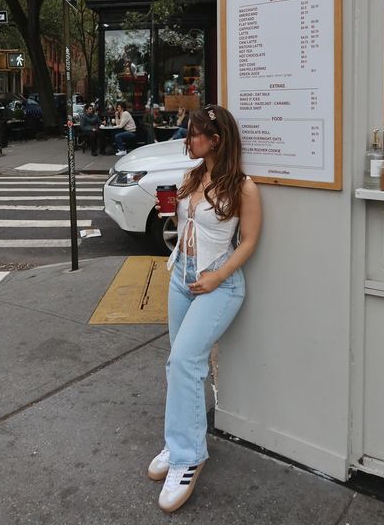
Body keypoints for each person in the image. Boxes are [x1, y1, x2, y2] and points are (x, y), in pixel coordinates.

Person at [149, 104, 262, 513]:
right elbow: (185, 225)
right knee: (179, 364)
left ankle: (188, 457)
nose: (187, 138)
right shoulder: (191, 176)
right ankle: (178, 441)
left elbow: (248, 241)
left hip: (219, 283)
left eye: (195, 134)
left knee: (184, 360)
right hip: (182, 275)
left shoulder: (243, 187)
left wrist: (216, 277)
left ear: (215, 140)